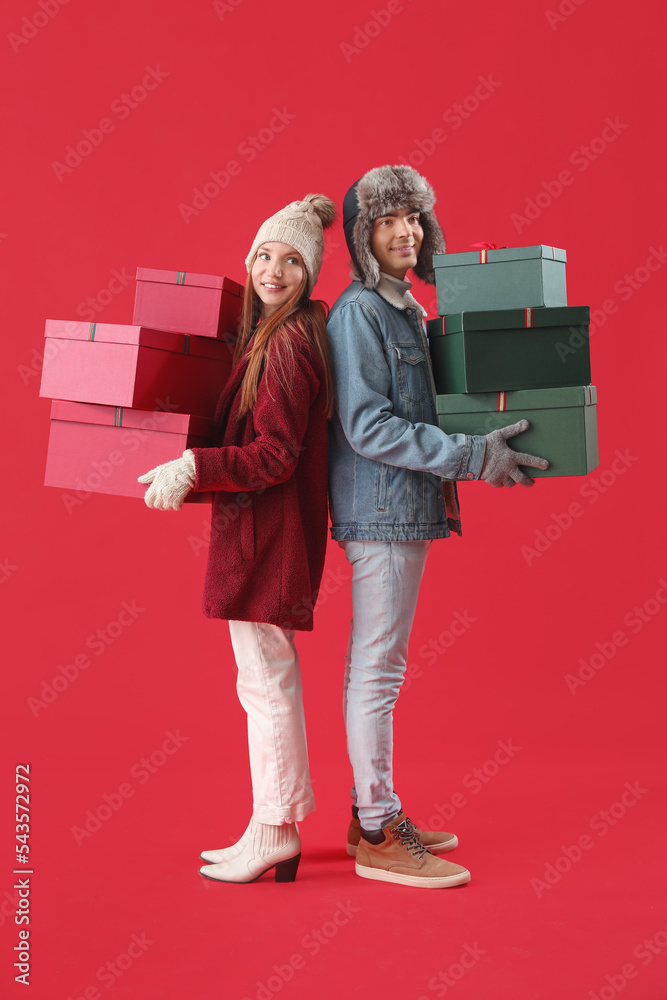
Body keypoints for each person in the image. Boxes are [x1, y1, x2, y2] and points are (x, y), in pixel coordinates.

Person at [326, 164, 549, 889]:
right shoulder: (358, 313)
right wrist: (472, 456)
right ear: (362, 235)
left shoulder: (406, 309)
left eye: (414, 218)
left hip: (407, 506)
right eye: (388, 220)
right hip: (381, 510)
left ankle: (374, 811)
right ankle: (376, 830)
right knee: (377, 670)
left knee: (381, 667)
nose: (406, 232)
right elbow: (366, 425)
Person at [138, 193, 336, 884]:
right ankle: (267, 821)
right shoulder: (270, 335)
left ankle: (277, 829)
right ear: (248, 261)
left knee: (266, 683)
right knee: (261, 680)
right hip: (261, 534)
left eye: (291, 261)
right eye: (263, 255)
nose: (273, 270)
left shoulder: (287, 344)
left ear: (309, 274)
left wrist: (195, 465)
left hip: (269, 539)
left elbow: (276, 454)